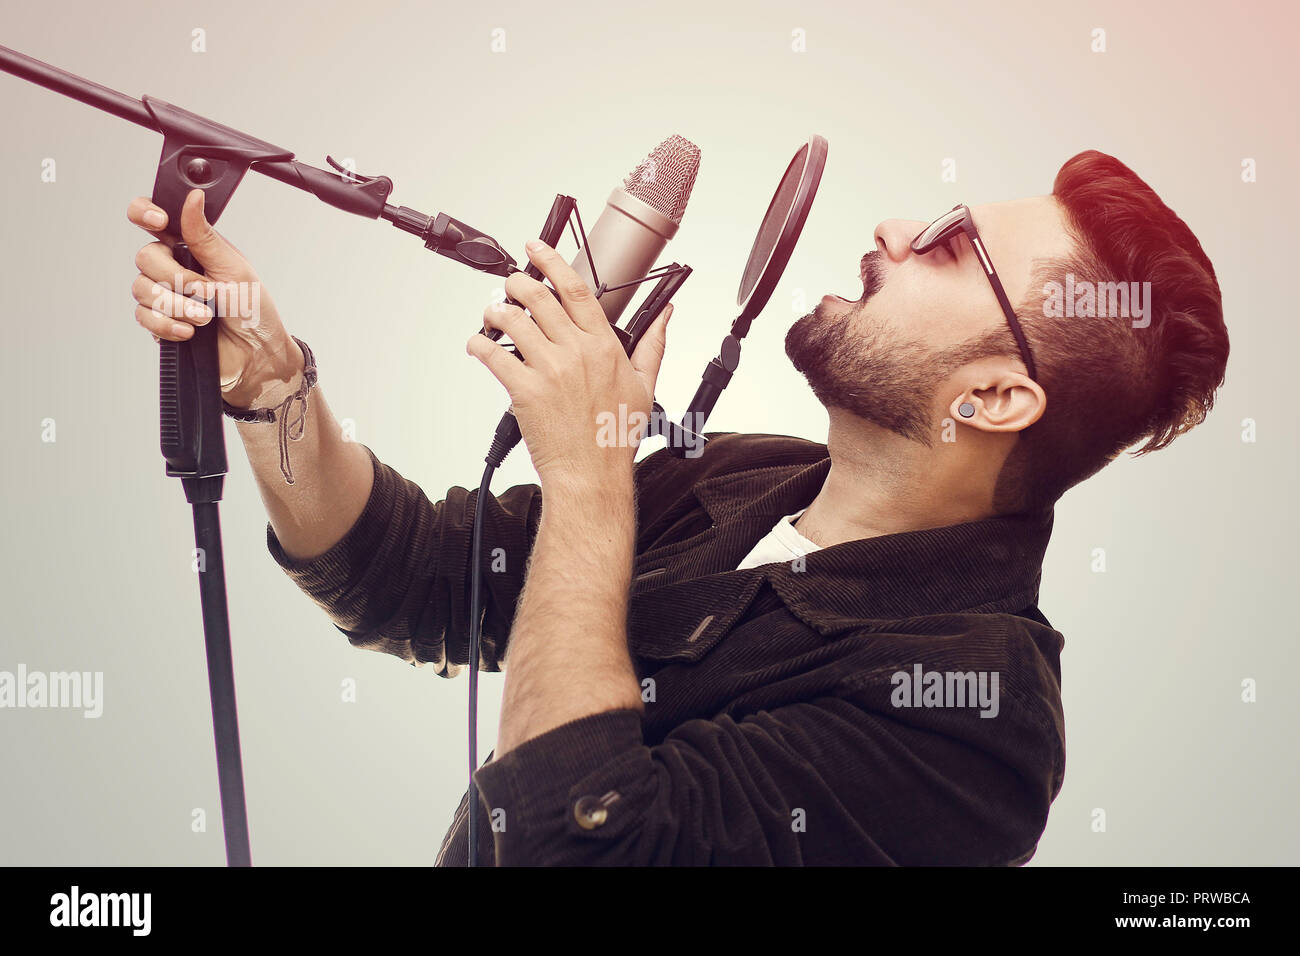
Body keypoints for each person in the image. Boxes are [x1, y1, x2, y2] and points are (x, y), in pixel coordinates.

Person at [125, 149, 1228, 865]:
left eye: (950, 242)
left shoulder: (976, 718)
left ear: (993, 395)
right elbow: (413, 575)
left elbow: (584, 843)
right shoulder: (742, 477)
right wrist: (273, 384)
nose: (895, 229)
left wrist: (589, 473)